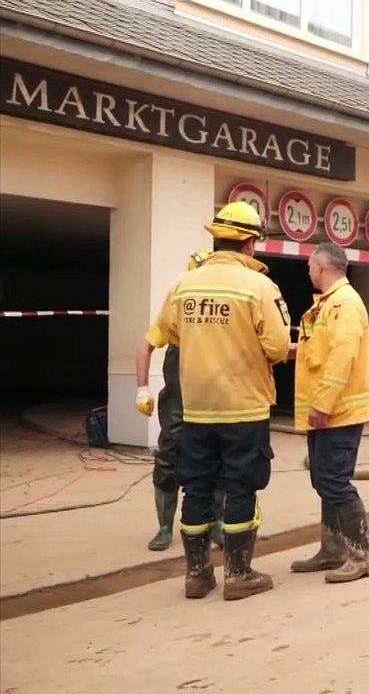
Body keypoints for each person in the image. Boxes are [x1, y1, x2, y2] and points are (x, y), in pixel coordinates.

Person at [140, 201, 291, 601]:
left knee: (197, 488)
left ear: (217, 239)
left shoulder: (183, 285)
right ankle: (238, 574)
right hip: (244, 407)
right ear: (249, 242)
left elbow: (170, 335)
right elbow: (278, 347)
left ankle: (197, 575)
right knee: (241, 486)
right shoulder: (259, 287)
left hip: (197, 409)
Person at [289, 243, 369, 583]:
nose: (308, 272)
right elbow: (321, 350)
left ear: (322, 267)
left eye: (310, 267)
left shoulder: (345, 304)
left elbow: (343, 356)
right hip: (328, 412)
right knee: (323, 481)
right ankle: (332, 550)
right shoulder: (327, 305)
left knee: (336, 482)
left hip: (339, 412)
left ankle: (361, 555)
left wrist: (323, 403)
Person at [135, 249, 226, 552]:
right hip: (178, 401)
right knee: (168, 458)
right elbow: (146, 345)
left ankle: (218, 522)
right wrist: (142, 389)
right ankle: (164, 527)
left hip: (213, 399)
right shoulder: (177, 306)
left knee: (218, 457)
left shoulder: (219, 312)